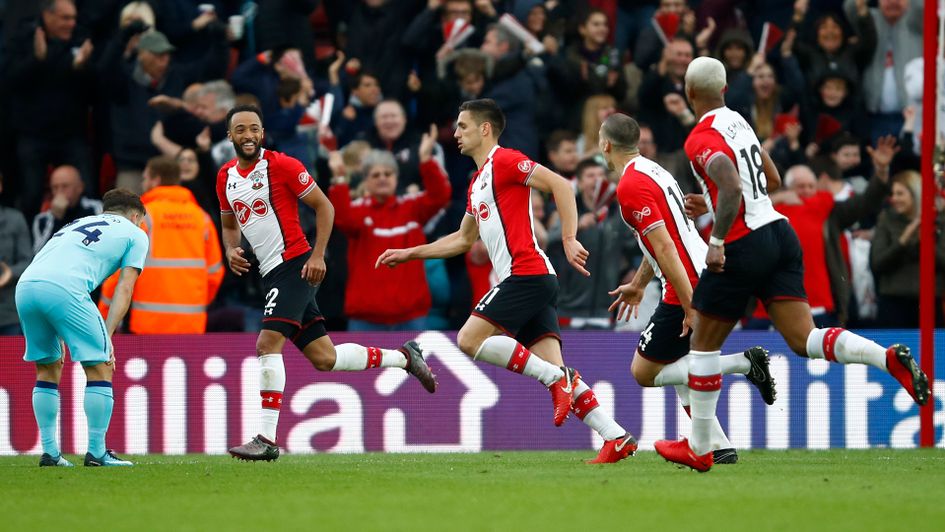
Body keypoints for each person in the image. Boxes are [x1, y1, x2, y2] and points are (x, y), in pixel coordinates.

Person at [654, 57, 929, 472]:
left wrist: (715, 239)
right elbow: (773, 180)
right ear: (725, 90)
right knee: (805, 339)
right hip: (779, 233)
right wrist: (711, 202)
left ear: (690, 93)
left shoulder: (700, 137)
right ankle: (885, 357)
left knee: (702, 348)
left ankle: (701, 447)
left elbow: (729, 184)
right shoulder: (739, 122)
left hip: (743, 242)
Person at [377, 99, 637, 464]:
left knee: (469, 339)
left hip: (526, 273)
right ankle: (616, 436)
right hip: (534, 280)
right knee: (556, 368)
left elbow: (561, 185)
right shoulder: (477, 182)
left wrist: (568, 237)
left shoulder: (505, 160)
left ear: (485, 129)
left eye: (462, 126)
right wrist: (410, 253)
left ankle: (554, 379)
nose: (455, 134)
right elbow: (463, 240)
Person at [218, 105, 437, 461]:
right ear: (230, 136)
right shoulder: (225, 176)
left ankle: (266, 439)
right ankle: (404, 358)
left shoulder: (283, 165)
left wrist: (317, 255)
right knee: (325, 358)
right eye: (240, 129)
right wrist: (230, 249)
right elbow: (229, 223)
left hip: (295, 264)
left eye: (254, 128)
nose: (248, 135)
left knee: (266, 345)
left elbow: (325, 207)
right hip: (271, 271)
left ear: (262, 133)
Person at [598, 113, 777, 465]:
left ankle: (744, 363)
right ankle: (716, 444)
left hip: (687, 282)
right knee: (675, 359)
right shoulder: (656, 171)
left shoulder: (629, 186)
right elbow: (666, 237)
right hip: (699, 272)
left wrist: (689, 305)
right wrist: (637, 283)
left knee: (644, 373)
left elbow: (665, 247)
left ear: (605, 145)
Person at [17, 189, 149, 467]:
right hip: (65, 288)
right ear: (135, 216)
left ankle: (51, 453)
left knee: (48, 367)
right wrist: (108, 335)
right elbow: (125, 288)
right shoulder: (136, 234)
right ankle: (97, 452)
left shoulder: (76, 223)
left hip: (27, 286)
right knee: (100, 365)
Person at [328, 133, 451, 331]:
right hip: (365, 319)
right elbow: (341, 218)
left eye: (388, 174)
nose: (382, 179)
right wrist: (340, 178)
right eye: (375, 175)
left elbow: (440, 196)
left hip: (412, 317)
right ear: (366, 181)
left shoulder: (412, 207)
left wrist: (427, 160)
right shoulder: (358, 210)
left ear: (396, 178)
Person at [98, 156, 223, 334]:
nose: (143, 183)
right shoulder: (201, 218)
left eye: (145, 178)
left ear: (155, 180)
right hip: (191, 325)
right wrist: (195, 304)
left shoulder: (143, 218)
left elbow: (119, 274)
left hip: (148, 325)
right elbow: (215, 273)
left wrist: (104, 317)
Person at [31, 165, 103, 253]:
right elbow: (38, 255)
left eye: (65, 186)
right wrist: (56, 219)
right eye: (55, 187)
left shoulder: (96, 209)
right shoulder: (42, 220)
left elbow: (106, 239)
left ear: (80, 187)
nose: (59, 192)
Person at [0, 174, 32, 336]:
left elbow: (28, 261)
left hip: (9, 311)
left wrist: (9, 273)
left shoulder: (15, 219)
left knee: (10, 359)